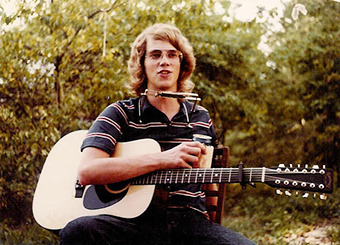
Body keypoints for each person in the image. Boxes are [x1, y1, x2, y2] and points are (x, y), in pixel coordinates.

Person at [59, 23, 255, 245]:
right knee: (76, 231)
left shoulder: (200, 117)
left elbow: (208, 183)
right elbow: (87, 171)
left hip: (189, 223)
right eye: (155, 55)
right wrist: (164, 158)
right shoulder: (120, 113)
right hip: (130, 221)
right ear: (142, 64)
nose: (164, 61)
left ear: (182, 64)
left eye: (172, 55)